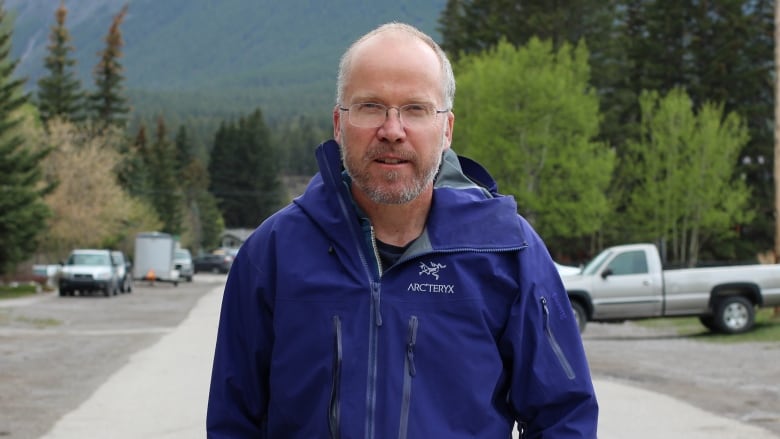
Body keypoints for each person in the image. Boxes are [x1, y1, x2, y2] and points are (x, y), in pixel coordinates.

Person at [207, 22, 598, 438]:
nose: (392, 130)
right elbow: (234, 423)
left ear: (446, 129)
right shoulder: (273, 254)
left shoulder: (509, 253)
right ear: (338, 124)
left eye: (415, 109)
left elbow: (563, 417)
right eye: (371, 106)